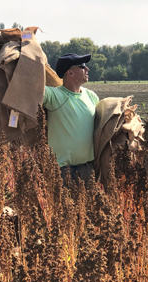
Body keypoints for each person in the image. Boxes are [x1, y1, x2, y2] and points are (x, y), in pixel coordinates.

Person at [42, 53, 99, 184]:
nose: (87, 69)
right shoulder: (54, 95)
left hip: (87, 170)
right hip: (61, 172)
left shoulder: (91, 96)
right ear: (70, 73)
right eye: (82, 66)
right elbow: (33, 89)